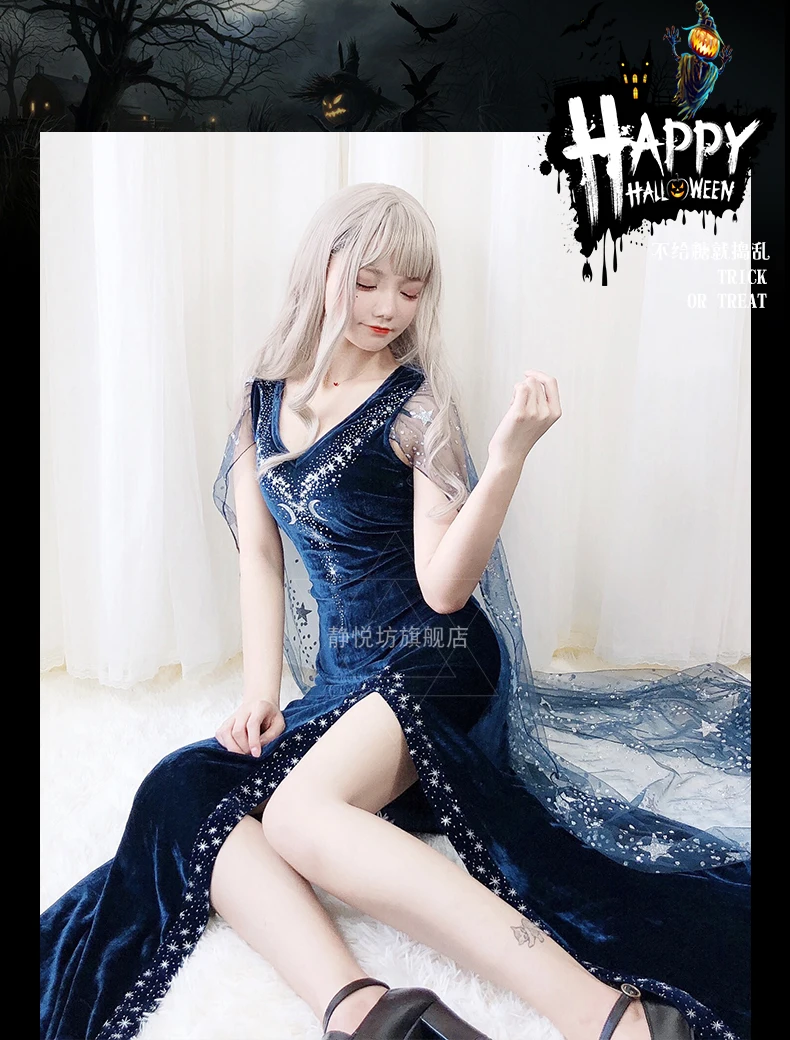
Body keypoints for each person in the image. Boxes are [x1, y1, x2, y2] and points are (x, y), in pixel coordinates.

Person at [41, 183, 750, 1040]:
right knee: (181, 789)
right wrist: (260, 693)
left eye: (409, 291)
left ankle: (614, 1017)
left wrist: (505, 462)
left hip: (435, 656)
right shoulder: (261, 401)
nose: (387, 309)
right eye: (369, 282)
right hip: (345, 679)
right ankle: (367, 1014)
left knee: (298, 817)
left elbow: (445, 588)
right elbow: (260, 557)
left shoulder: (417, 407)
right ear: (323, 269)